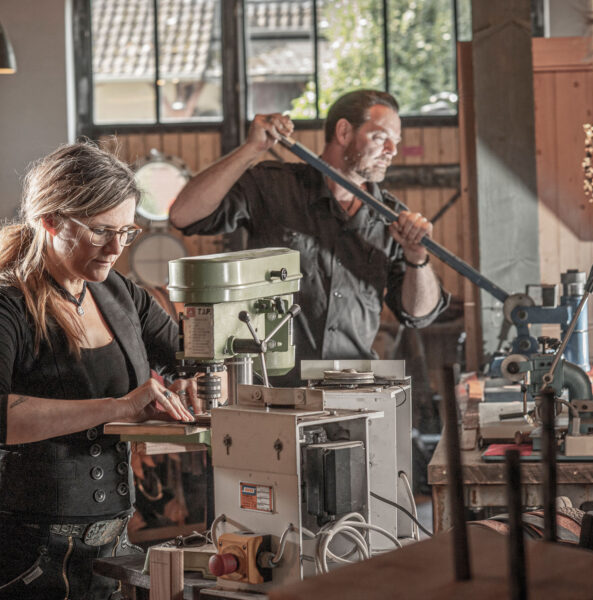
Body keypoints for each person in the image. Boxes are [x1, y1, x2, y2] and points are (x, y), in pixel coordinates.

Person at [0, 141, 198, 600]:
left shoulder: (119, 294)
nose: (115, 249)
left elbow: (183, 355)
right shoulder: (9, 305)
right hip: (28, 545)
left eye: (126, 231)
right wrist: (121, 406)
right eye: (99, 231)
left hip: (112, 536)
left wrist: (196, 375)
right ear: (50, 220)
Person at [169, 89, 449, 385]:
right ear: (343, 132)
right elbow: (184, 215)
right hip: (272, 393)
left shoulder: (392, 218)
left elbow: (418, 314)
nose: (392, 149)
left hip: (353, 391)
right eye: (380, 137)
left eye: (396, 141)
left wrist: (418, 258)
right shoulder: (275, 187)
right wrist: (251, 149)